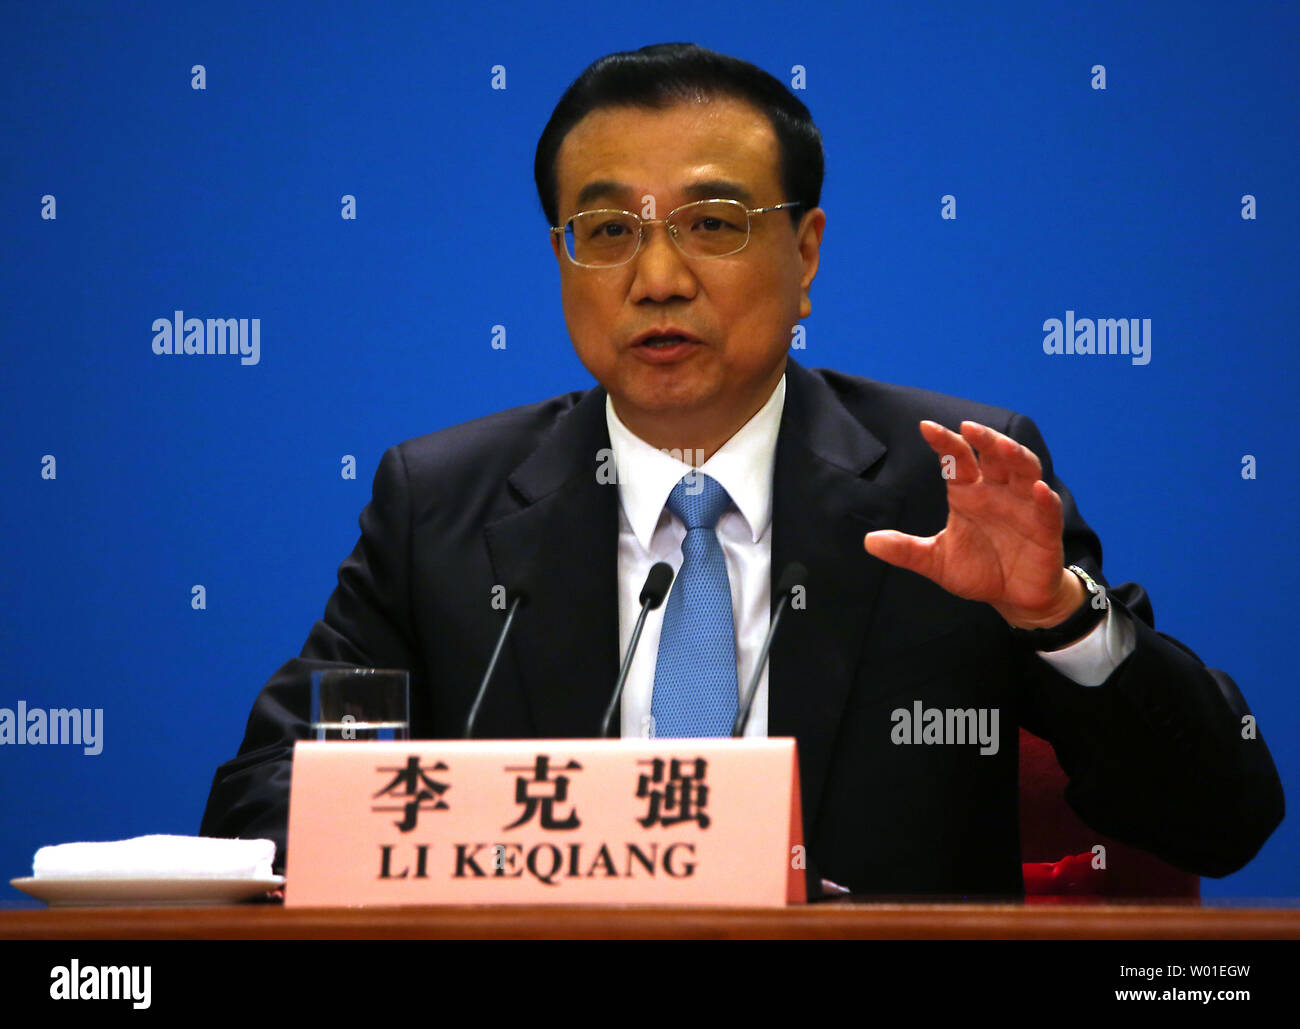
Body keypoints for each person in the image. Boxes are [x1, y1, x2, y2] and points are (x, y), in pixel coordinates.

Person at [201, 43, 1283, 896]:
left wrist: (1056, 618)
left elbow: (1222, 818)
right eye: (608, 228)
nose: (658, 276)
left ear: (805, 254)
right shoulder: (439, 502)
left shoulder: (949, 481)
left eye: (713, 225)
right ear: (561, 262)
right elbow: (259, 812)